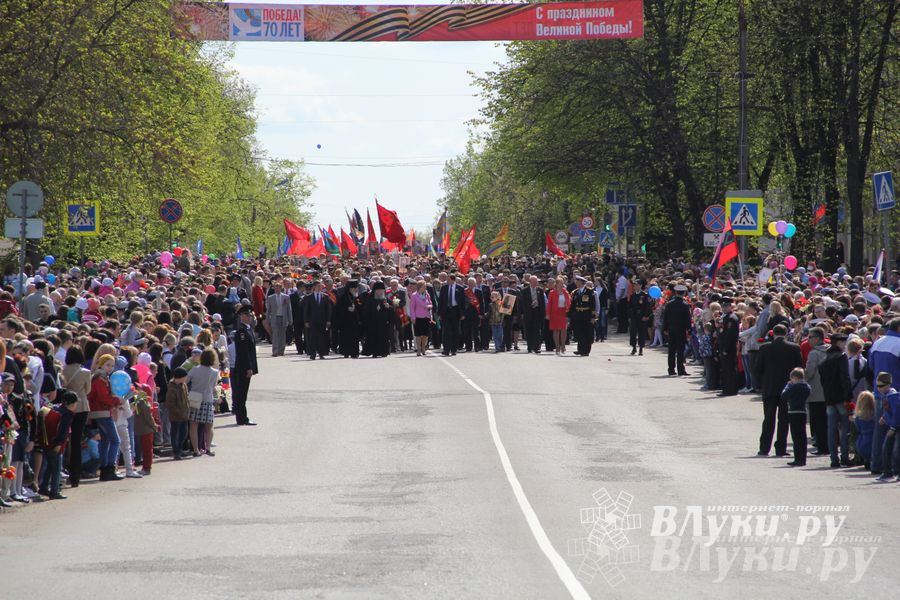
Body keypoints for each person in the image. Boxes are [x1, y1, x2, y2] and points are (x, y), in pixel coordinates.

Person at [755, 323, 802, 457]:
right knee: (784, 420)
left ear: (773, 333)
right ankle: (780, 449)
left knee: (768, 418)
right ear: (786, 333)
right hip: (787, 388)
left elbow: (758, 368)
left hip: (769, 387)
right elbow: (799, 368)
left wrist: (761, 383)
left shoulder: (765, 348)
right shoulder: (794, 348)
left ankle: (764, 448)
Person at [868, 317, 900, 474]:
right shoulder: (898, 344)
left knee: (880, 429)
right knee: (896, 430)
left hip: (879, 391)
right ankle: (893, 467)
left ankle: (877, 464)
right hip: (896, 394)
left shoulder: (878, 343)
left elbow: (871, 366)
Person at [87, 354, 123, 481]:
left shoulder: (102, 378)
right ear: (101, 364)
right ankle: (109, 467)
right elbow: (103, 397)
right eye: (108, 365)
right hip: (102, 412)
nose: (110, 368)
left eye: (112, 365)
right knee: (115, 440)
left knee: (106, 440)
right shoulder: (99, 379)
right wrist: (117, 400)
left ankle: (105, 469)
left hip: (101, 412)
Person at [819, 332, 852, 467]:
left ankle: (834, 459)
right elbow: (845, 377)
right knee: (845, 428)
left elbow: (822, 380)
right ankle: (844, 457)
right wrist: (848, 396)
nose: (845, 345)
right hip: (840, 397)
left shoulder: (825, 358)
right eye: (843, 342)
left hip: (829, 397)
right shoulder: (841, 356)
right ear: (838, 342)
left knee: (831, 428)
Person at [37, 390, 78, 499]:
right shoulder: (66, 415)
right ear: (73, 404)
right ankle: (54, 491)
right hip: (55, 443)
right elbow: (62, 430)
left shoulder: (56, 409)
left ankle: (44, 487)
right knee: (56, 468)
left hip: (47, 442)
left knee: (50, 467)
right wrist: (59, 443)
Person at [61, 346, 91, 488]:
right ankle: (75, 476)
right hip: (81, 406)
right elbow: (88, 390)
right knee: (76, 440)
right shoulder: (85, 372)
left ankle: (62, 470)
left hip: (66, 405)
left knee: (63, 438)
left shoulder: (63, 369)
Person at [187, 349, 219, 457]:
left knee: (193, 425)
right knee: (209, 426)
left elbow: (186, 381)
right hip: (207, 399)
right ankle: (208, 448)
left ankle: (196, 449)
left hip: (195, 398)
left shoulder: (194, 369)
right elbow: (214, 387)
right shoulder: (214, 372)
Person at [804, 327, 830, 456]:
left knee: (818, 421)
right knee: (828, 420)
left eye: (810, 337)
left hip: (816, 391)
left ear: (818, 338)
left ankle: (822, 447)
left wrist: (802, 380)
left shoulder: (814, 353)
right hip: (829, 390)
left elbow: (809, 371)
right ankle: (829, 445)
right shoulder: (831, 350)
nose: (808, 340)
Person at [232, 305, 258, 426]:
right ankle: (242, 418)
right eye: (247, 315)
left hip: (246, 366)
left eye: (250, 315)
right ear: (241, 316)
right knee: (241, 394)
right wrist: (248, 367)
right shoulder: (242, 331)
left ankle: (242, 417)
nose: (249, 317)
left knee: (243, 393)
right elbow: (244, 352)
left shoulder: (248, 329)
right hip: (243, 367)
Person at [782, 368, 811, 467]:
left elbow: (784, 395)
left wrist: (788, 385)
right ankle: (802, 459)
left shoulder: (794, 387)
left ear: (794, 378)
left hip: (794, 412)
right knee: (802, 436)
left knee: (796, 437)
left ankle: (797, 459)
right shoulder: (806, 387)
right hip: (803, 411)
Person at [875, 372, 900, 482]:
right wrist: (884, 418)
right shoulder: (885, 395)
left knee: (896, 450)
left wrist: (893, 428)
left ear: (888, 384)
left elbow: (896, 413)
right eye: (877, 386)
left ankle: (896, 472)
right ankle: (887, 472)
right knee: (886, 448)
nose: (878, 388)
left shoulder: (893, 396)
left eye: (881, 386)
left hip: (896, 426)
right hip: (892, 425)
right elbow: (887, 411)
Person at [662, 285, 691, 376]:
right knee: (680, 350)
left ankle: (671, 369)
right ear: (684, 293)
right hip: (681, 329)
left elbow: (665, 317)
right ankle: (680, 370)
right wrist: (689, 330)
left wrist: (665, 328)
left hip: (671, 328)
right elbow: (687, 319)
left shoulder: (669, 304)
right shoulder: (685, 305)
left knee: (671, 350)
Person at [363, 281, 393, 358]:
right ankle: (374, 352)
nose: (379, 292)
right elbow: (365, 311)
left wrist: (388, 307)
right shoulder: (370, 299)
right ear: (375, 291)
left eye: (381, 290)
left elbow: (392, 312)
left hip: (383, 323)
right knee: (374, 337)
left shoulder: (387, 300)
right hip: (373, 323)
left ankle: (384, 352)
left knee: (384, 338)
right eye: (378, 290)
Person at [717, 297, 740, 396]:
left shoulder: (731, 318)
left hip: (729, 347)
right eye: (723, 306)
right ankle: (726, 388)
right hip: (723, 346)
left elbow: (730, 335)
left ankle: (730, 389)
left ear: (731, 306)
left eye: (726, 306)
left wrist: (726, 348)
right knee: (725, 369)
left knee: (729, 369)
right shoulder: (724, 317)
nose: (724, 308)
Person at [303, 280, 332, 360]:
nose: (320, 288)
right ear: (314, 287)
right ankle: (312, 354)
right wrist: (306, 321)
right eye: (318, 286)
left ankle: (321, 353)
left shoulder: (325, 296)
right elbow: (306, 310)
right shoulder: (309, 297)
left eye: (321, 286)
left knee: (321, 338)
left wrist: (328, 320)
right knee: (313, 338)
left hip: (322, 320)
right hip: (312, 321)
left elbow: (328, 309)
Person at [335, 280, 364, 358]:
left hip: (355, 321)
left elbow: (361, 307)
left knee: (355, 338)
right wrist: (347, 309)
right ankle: (346, 352)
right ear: (349, 289)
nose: (356, 289)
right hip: (345, 322)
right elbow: (338, 309)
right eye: (354, 288)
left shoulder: (357, 297)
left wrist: (356, 309)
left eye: (356, 288)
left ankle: (355, 352)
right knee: (346, 337)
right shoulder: (343, 297)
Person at [569, 276, 597, 356]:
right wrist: (569, 315)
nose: (576, 283)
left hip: (587, 315)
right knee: (579, 333)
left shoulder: (589, 291)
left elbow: (592, 305)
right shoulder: (576, 292)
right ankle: (580, 349)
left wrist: (593, 316)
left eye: (577, 281)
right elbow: (573, 305)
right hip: (578, 315)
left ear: (581, 282)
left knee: (587, 333)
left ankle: (586, 350)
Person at [166, 367, 190, 459]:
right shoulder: (172, 388)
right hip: (176, 416)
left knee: (184, 433)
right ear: (179, 377)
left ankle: (180, 449)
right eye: (184, 377)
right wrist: (178, 412)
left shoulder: (183, 385)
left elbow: (186, 397)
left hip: (184, 414)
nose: (185, 378)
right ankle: (176, 451)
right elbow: (170, 404)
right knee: (175, 433)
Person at [438, 274, 465, 356]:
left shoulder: (460, 288)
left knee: (455, 331)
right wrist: (439, 313)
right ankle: (446, 349)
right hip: (446, 311)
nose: (447, 281)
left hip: (456, 311)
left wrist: (463, 313)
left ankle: (454, 349)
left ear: (453, 280)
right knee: (446, 331)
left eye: (449, 279)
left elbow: (463, 302)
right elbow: (441, 301)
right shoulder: (444, 288)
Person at [132, 386, 157, 475]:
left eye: (139, 389)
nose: (136, 390)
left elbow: (148, 417)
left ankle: (147, 468)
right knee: (144, 449)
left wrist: (153, 426)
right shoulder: (138, 402)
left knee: (147, 450)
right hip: (142, 430)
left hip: (146, 430)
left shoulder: (143, 402)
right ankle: (145, 467)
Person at [265, 280, 292, 357]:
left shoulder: (286, 297)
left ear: (281, 288)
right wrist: (267, 319)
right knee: (275, 334)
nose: (277, 289)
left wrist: (290, 320)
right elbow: (268, 310)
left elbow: (289, 309)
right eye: (275, 288)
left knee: (282, 335)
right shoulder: (270, 297)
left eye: (278, 288)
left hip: (283, 318)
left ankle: (281, 350)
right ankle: (275, 351)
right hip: (274, 317)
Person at [519, 275, 546, 354]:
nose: (535, 283)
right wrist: (529, 305)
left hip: (537, 312)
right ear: (530, 282)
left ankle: (536, 347)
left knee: (537, 331)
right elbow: (522, 303)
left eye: (536, 282)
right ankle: (530, 347)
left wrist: (543, 313)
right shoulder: (524, 291)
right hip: (528, 313)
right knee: (529, 331)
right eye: (534, 282)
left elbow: (542, 303)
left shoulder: (540, 290)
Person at [408, 280, 433, 356]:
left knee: (426, 334)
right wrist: (413, 318)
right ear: (420, 287)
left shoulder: (427, 294)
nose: (425, 287)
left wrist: (429, 306)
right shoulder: (414, 295)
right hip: (418, 317)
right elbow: (412, 308)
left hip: (426, 316)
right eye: (424, 286)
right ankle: (418, 349)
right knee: (418, 334)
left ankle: (423, 348)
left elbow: (431, 304)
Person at [547, 276, 571, 355]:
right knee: (556, 330)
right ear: (556, 284)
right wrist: (548, 314)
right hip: (554, 313)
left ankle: (563, 346)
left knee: (563, 330)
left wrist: (568, 308)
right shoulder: (552, 293)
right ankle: (557, 346)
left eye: (562, 283)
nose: (562, 285)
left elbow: (569, 302)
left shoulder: (565, 292)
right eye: (560, 283)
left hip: (563, 312)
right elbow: (549, 304)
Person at [854, 391, 875, 470]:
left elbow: (858, 430)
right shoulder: (875, 416)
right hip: (873, 442)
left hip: (862, 444)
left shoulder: (858, 418)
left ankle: (866, 460)